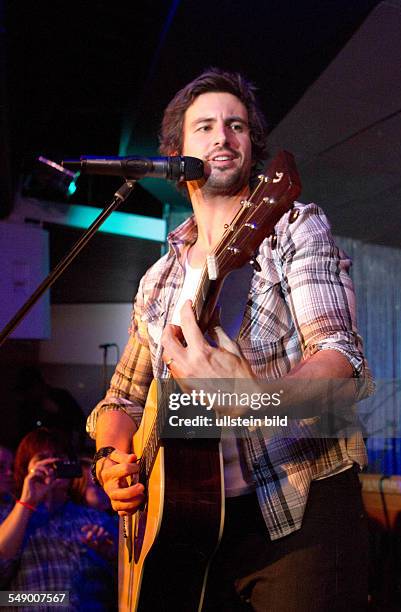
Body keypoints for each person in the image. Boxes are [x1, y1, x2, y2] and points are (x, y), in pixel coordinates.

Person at [86, 68, 374, 611]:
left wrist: (250, 399)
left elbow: (343, 369)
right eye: (205, 127)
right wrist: (110, 459)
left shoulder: (291, 228)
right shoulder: (159, 279)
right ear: (176, 152)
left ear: (251, 146)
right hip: (186, 526)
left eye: (236, 125)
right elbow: (120, 400)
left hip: (298, 511)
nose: (222, 137)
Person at [0, 428, 117, 610]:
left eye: (59, 457)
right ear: (26, 470)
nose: (54, 463)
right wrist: (27, 501)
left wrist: (108, 556)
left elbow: (124, 588)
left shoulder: (96, 519)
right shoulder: (7, 516)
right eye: (42, 458)